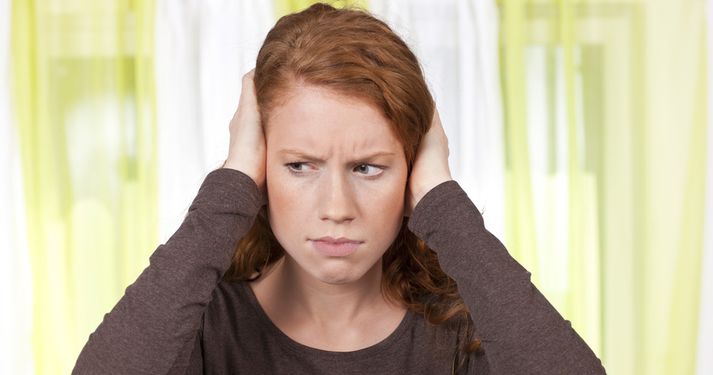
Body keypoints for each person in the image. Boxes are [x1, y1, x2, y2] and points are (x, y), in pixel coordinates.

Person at [73, 3, 606, 374]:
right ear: (261, 165)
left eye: (367, 168)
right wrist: (230, 184)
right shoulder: (199, 324)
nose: (335, 209)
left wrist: (445, 203)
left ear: (413, 169)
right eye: (301, 166)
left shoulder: (460, 331)